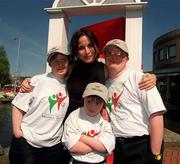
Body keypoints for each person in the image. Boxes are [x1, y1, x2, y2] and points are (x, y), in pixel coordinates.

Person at [19, 29, 157, 163]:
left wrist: (151, 76)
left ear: (96, 46)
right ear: (76, 51)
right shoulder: (71, 67)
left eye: (90, 45)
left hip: (95, 127)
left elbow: (120, 70)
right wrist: (29, 80)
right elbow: (53, 76)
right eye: (81, 47)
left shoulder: (104, 68)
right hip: (71, 126)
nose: (87, 51)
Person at [103, 39, 167, 164]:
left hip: (140, 145)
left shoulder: (140, 78)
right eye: (109, 53)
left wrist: (155, 155)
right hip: (118, 147)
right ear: (104, 57)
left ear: (126, 58)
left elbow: (156, 115)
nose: (113, 56)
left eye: (119, 53)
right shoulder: (104, 84)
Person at [9, 46, 71, 164]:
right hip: (27, 143)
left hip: (53, 147)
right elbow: (18, 105)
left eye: (64, 60)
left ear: (69, 63)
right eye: (56, 60)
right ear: (50, 63)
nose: (60, 64)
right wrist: (17, 132)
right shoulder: (37, 80)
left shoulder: (70, 85)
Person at [62, 82, 115, 164]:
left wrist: (81, 137)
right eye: (89, 101)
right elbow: (73, 147)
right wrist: (97, 143)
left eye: (98, 103)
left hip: (100, 161)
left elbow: (106, 146)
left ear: (103, 104)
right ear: (84, 98)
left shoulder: (104, 119)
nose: (93, 107)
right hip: (78, 161)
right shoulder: (74, 116)